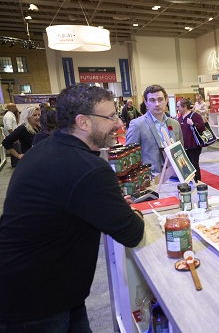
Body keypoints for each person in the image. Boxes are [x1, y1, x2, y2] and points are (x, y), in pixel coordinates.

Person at [0, 84, 145, 331]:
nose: (119, 123)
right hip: (33, 304)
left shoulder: (46, 148)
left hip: (49, 291)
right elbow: (132, 232)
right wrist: (132, 212)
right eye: (110, 116)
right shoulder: (89, 168)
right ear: (83, 122)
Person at [126, 84, 183, 177]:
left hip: (174, 177)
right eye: (152, 100)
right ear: (146, 102)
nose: (157, 104)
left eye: (160, 99)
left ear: (166, 100)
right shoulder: (137, 125)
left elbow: (181, 151)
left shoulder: (175, 124)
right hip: (151, 179)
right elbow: (130, 157)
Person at [177, 98, 205, 182]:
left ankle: (197, 181)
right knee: (186, 165)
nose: (177, 108)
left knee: (194, 163)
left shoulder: (195, 116)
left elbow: (202, 127)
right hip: (184, 145)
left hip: (194, 145)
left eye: (178, 107)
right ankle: (189, 180)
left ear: (185, 106)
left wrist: (193, 124)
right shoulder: (180, 117)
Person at [2, 103, 20, 167]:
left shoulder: (11, 115)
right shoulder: (8, 116)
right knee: (14, 150)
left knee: (15, 150)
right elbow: (9, 127)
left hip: (12, 136)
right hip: (11, 136)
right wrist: (13, 137)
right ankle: (15, 164)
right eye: (14, 107)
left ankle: (15, 163)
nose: (15, 108)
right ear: (10, 108)